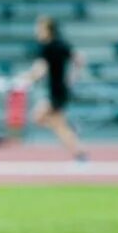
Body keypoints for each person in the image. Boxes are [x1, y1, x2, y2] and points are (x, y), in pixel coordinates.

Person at [20, 15, 88, 161]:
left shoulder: (47, 47)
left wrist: (27, 77)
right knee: (56, 125)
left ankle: (77, 146)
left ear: (47, 30)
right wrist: (73, 77)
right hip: (59, 90)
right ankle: (79, 153)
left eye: (39, 28)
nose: (37, 31)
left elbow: (40, 70)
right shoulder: (61, 44)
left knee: (39, 118)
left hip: (57, 92)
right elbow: (80, 58)